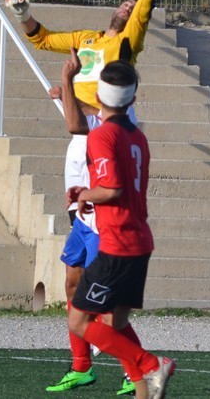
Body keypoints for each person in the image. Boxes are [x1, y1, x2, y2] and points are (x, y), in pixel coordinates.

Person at [3, 0, 184, 395]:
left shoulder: (123, 49)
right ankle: (90, 366)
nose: (128, 7)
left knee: (99, 304)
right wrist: (23, 14)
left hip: (96, 144)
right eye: (124, 4)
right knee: (73, 280)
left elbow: (144, 11)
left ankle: (137, 367)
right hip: (81, 152)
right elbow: (43, 38)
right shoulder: (86, 40)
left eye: (132, 7)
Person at [60, 51, 176, 399]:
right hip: (140, 241)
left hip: (116, 244)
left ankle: (152, 363)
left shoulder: (102, 135)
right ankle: (144, 387)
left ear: (97, 96)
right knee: (117, 323)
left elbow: (112, 189)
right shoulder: (138, 137)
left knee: (79, 321)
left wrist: (84, 194)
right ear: (133, 100)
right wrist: (88, 192)